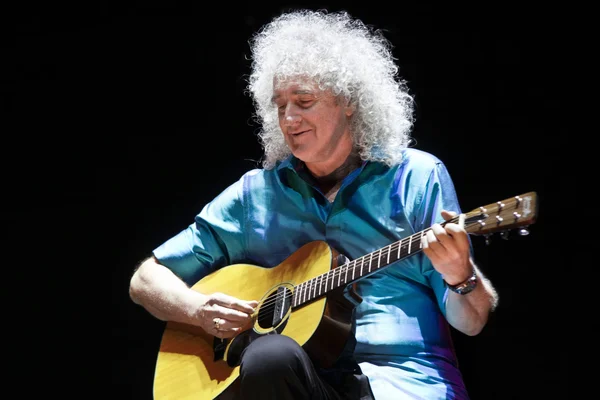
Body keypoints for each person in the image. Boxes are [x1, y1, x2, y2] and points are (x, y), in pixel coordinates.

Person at [129, 9, 499, 400]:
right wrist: (199, 309)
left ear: (349, 101)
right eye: (279, 105)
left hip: (401, 384)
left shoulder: (416, 177)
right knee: (269, 355)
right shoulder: (256, 195)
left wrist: (462, 276)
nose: (289, 118)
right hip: (298, 382)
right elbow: (145, 280)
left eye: (304, 101)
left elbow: (472, 322)